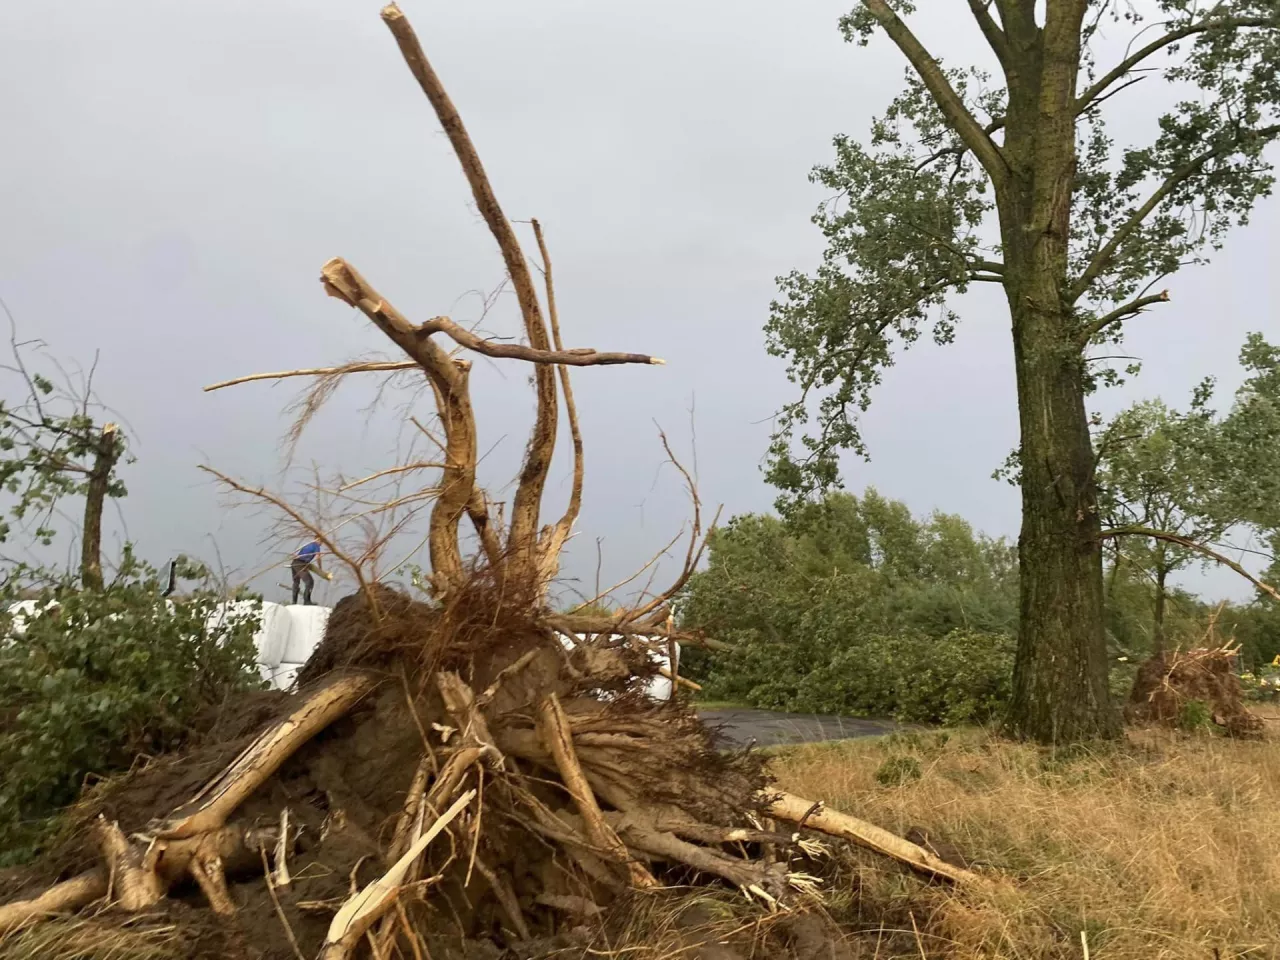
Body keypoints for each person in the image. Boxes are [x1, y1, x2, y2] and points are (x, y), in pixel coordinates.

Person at [291, 539, 323, 605]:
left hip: (294, 563)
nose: (321, 544)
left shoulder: (307, 545)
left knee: (296, 582)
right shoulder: (316, 546)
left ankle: (294, 602)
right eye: (321, 542)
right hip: (300, 564)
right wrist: (320, 568)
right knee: (310, 582)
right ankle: (306, 601)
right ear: (318, 540)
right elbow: (318, 557)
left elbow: (297, 555)